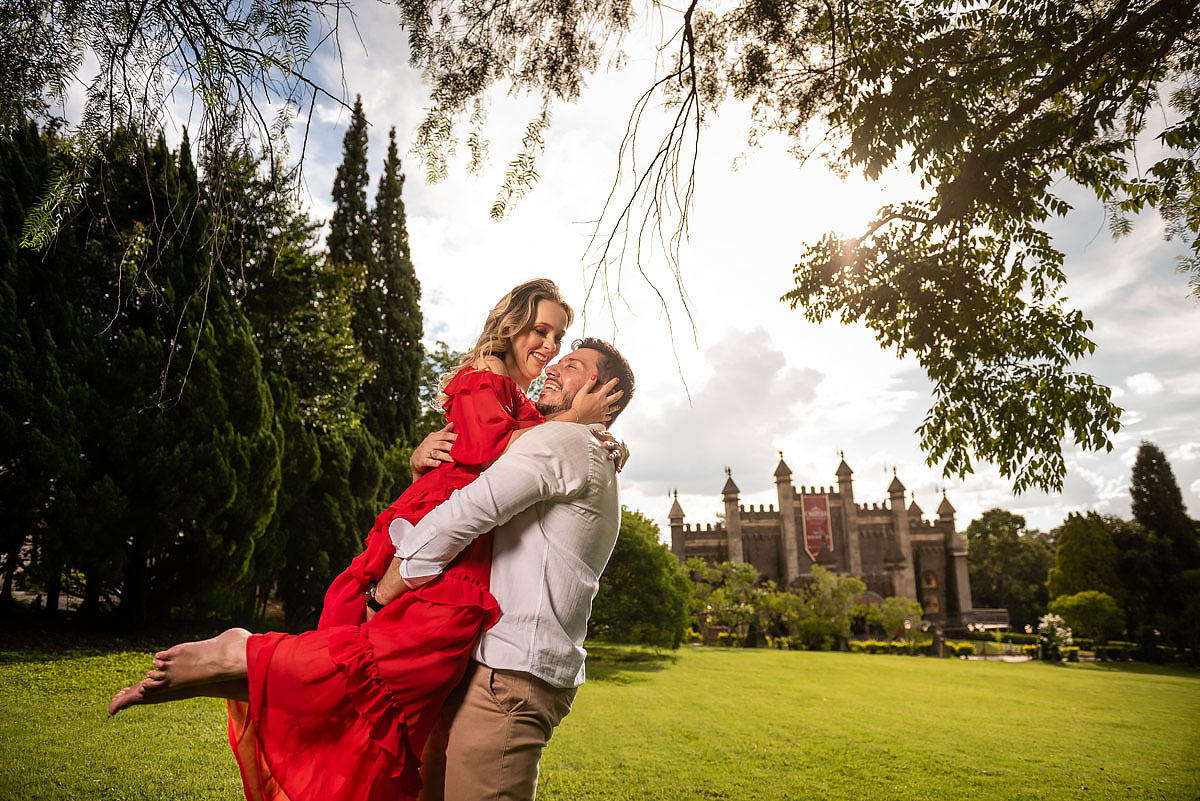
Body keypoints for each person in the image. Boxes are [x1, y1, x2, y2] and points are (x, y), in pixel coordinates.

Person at [107, 279, 624, 801]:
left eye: (563, 344)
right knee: (403, 655)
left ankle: (243, 670)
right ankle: (246, 654)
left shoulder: (548, 427)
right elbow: (492, 449)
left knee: (407, 675)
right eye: (543, 332)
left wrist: (595, 432)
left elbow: (530, 444)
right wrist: (576, 423)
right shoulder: (490, 379)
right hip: (447, 539)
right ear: (511, 325)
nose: (552, 352)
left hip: (470, 561)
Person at [376, 337, 635, 801]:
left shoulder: (569, 442)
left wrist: (382, 594)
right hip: (478, 668)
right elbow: (470, 480)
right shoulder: (576, 446)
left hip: (509, 677)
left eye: (571, 364)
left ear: (603, 390)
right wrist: (423, 468)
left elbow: (464, 515)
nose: (552, 366)